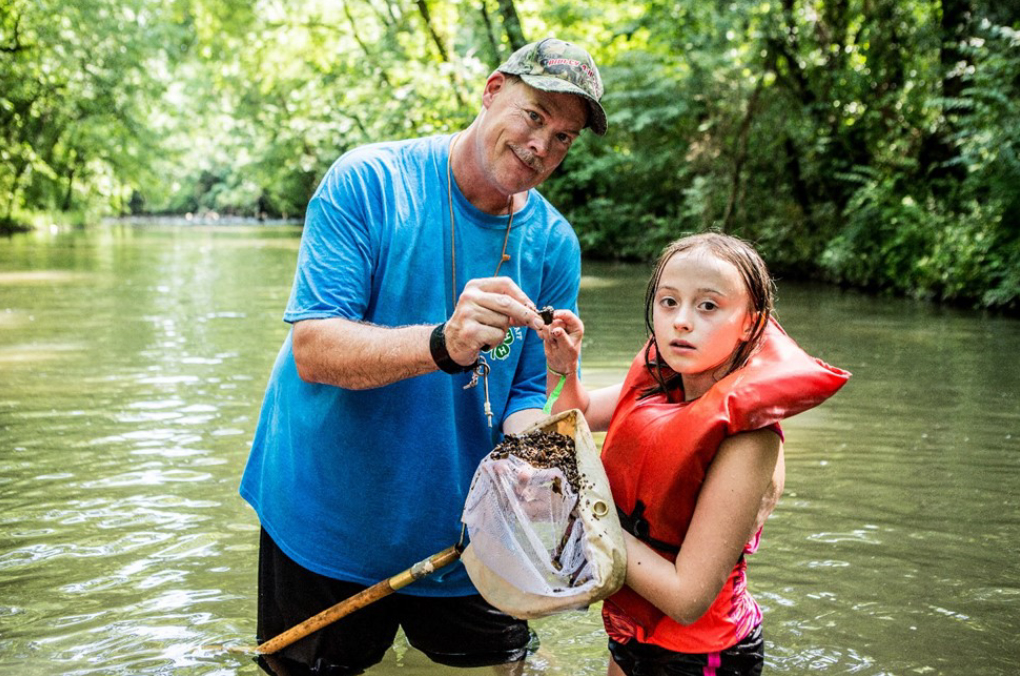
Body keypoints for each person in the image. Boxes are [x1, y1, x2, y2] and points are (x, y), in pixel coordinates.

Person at [239, 38, 609, 675]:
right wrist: (444, 343)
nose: (543, 145)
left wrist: (544, 471)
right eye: (535, 115)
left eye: (565, 136)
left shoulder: (553, 244)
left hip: (466, 533)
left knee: (502, 667)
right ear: (492, 90)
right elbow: (314, 350)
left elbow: (523, 398)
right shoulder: (368, 182)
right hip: (326, 518)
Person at [540, 232, 850, 676]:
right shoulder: (658, 384)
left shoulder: (749, 440)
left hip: (702, 655)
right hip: (631, 632)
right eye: (669, 302)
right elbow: (578, 415)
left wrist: (586, 514)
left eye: (707, 306)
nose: (682, 321)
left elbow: (686, 599)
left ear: (750, 323)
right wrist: (562, 367)